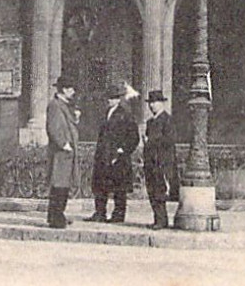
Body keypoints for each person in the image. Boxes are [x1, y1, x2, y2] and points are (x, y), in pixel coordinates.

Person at [88, 82, 140, 223]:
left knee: (119, 187)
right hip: (104, 156)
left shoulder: (125, 114)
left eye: (113, 98)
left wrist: (123, 150)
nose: (110, 100)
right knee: (100, 185)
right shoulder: (106, 113)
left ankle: (118, 215)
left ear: (119, 99)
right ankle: (100, 213)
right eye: (109, 98)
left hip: (118, 157)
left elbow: (134, 137)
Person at [45, 73, 80, 229]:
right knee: (59, 186)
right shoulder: (55, 105)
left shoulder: (63, 105)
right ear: (64, 90)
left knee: (63, 185)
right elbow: (53, 128)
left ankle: (58, 215)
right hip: (61, 153)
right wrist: (64, 144)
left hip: (66, 153)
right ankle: (55, 217)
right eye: (71, 89)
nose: (73, 92)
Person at [141, 90, 180, 230]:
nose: (152, 105)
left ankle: (162, 220)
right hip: (150, 162)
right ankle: (157, 219)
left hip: (161, 162)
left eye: (155, 102)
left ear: (161, 103)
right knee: (152, 191)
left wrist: (150, 141)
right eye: (150, 103)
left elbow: (169, 140)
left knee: (159, 191)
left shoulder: (167, 120)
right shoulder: (150, 122)